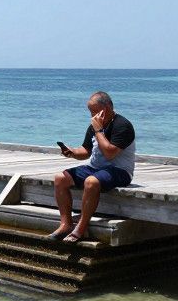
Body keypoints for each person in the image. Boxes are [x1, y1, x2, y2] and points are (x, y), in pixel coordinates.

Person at [50, 91, 136, 243]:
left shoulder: (123, 125)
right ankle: (66, 224)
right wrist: (72, 152)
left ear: (108, 108)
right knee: (60, 178)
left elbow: (110, 154)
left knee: (91, 181)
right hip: (95, 168)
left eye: (95, 111)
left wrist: (99, 131)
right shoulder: (94, 126)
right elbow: (86, 151)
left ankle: (81, 228)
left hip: (120, 171)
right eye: (90, 112)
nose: (92, 115)